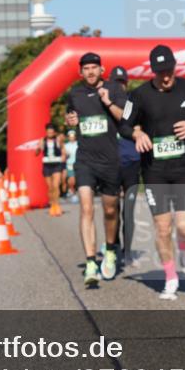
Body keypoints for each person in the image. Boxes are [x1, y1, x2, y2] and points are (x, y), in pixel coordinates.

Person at [120, 45, 185, 299]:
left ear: (175, 66)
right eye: (160, 73)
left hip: (183, 168)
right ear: (153, 71)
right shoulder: (138, 95)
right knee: (162, 227)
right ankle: (170, 277)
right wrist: (137, 133)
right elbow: (124, 125)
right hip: (154, 170)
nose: (166, 76)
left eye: (169, 70)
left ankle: (184, 244)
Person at [64, 52, 128, 286]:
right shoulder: (75, 93)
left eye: (94, 67)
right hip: (85, 160)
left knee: (111, 211)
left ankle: (110, 249)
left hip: (110, 160)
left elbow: (125, 118)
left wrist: (108, 101)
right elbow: (70, 116)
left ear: (102, 70)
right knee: (86, 208)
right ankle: (91, 262)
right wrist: (69, 121)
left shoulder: (115, 89)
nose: (90, 72)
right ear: (81, 72)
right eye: (86, 68)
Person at [110, 65, 141, 261]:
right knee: (112, 209)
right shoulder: (102, 103)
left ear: (126, 83)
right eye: (115, 82)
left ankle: (127, 251)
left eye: (122, 82)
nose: (119, 86)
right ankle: (114, 248)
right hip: (111, 163)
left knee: (128, 211)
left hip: (132, 162)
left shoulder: (133, 102)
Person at [37, 122, 66, 216]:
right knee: (50, 188)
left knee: (56, 185)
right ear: (46, 132)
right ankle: (52, 204)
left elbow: (62, 149)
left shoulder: (58, 140)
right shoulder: (42, 140)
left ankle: (57, 205)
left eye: (51, 132)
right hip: (47, 165)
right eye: (48, 132)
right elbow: (37, 152)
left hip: (56, 165)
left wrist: (63, 156)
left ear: (54, 132)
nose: (50, 133)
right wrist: (38, 149)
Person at [63, 128, 79, 203]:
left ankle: (74, 191)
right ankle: (72, 192)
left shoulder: (79, 144)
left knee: (76, 180)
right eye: (70, 136)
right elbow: (64, 155)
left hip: (78, 164)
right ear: (68, 137)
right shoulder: (65, 146)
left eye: (73, 136)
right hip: (70, 164)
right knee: (71, 180)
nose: (71, 137)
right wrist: (65, 155)